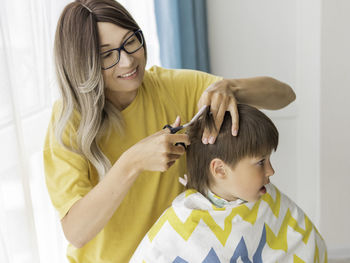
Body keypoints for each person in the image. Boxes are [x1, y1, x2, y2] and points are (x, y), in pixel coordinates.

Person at [43, 0, 296, 262]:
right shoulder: (68, 123)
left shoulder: (173, 88)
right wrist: (133, 161)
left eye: (131, 41)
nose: (128, 61)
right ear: (82, 64)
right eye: (107, 55)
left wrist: (231, 87)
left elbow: (284, 95)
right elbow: (77, 232)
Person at [130, 104, 327, 262]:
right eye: (260, 162)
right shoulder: (180, 226)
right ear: (220, 170)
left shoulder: (269, 202)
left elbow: (307, 246)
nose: (271, 171)